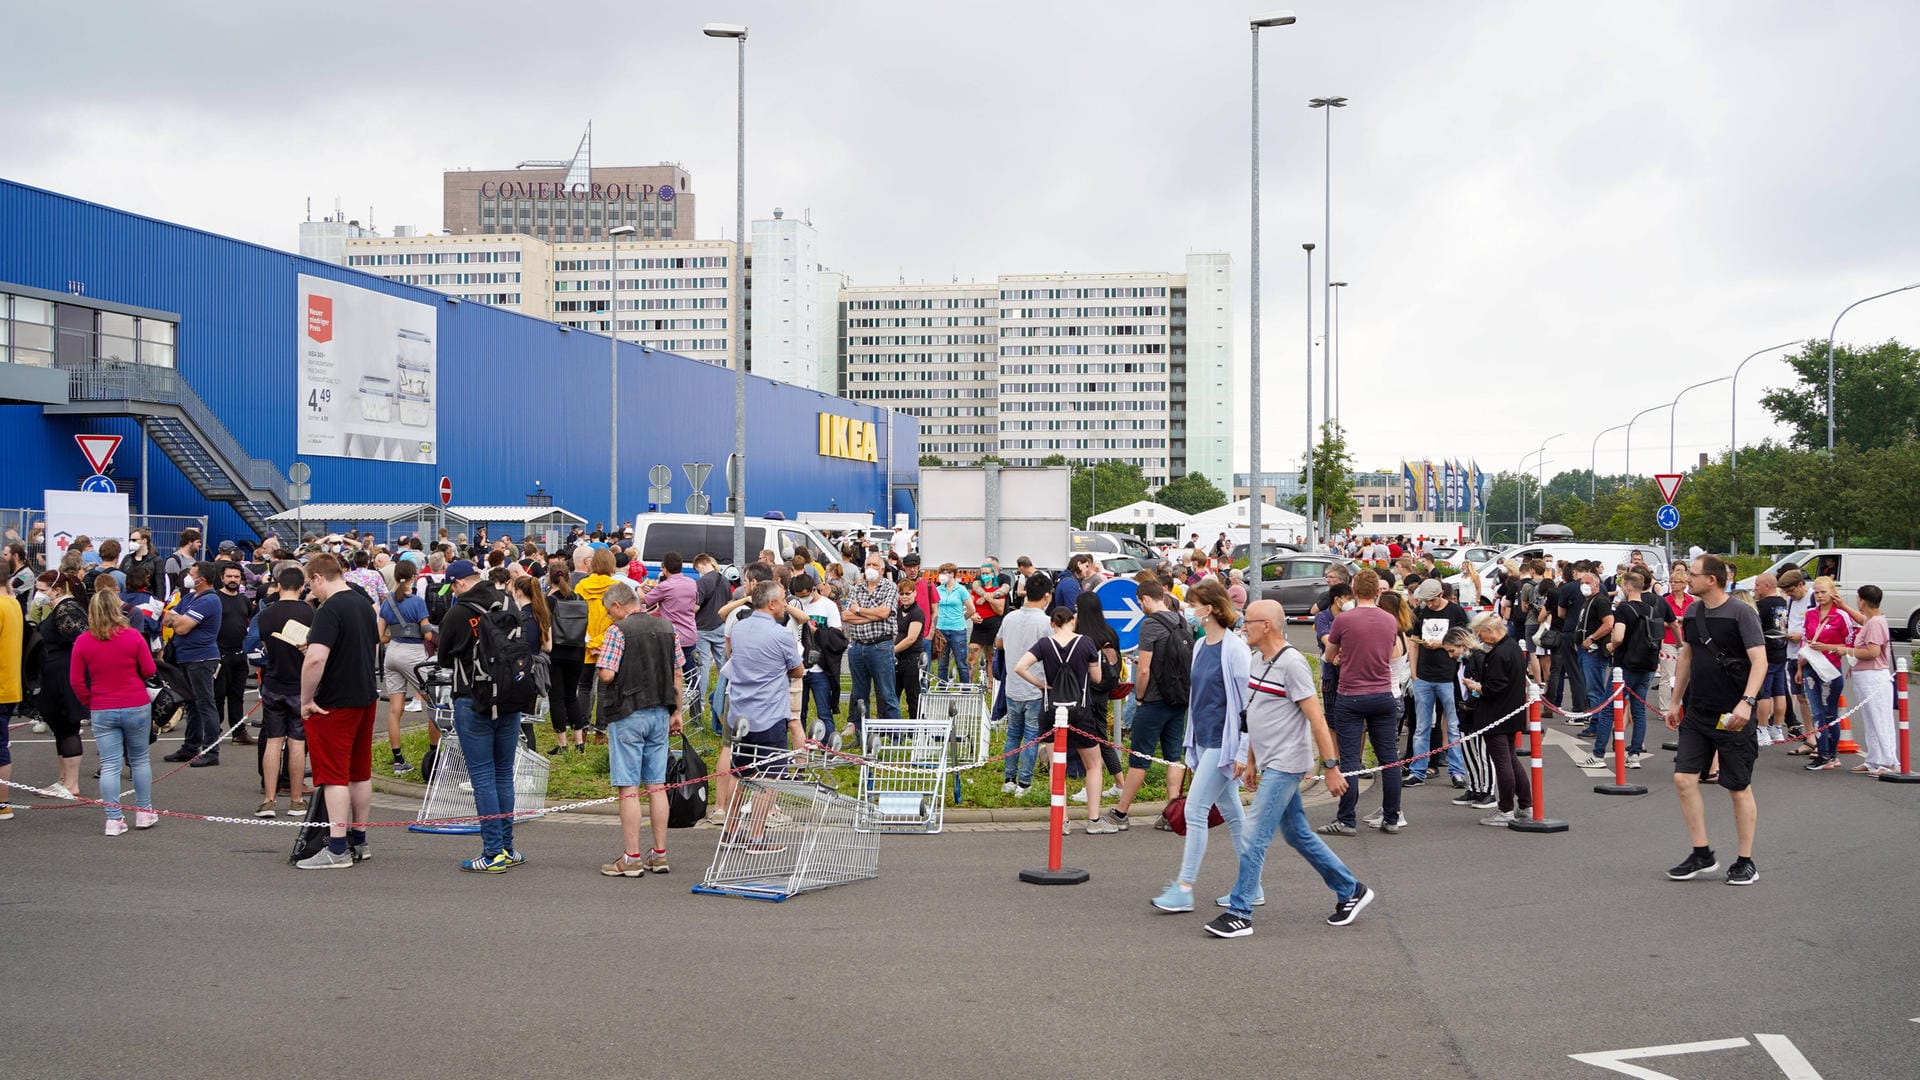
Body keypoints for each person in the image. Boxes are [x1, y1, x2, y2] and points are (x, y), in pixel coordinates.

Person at [1205, 598, 1369, 938]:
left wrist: (1331, 767)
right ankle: (1350, 890)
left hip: (1288, 764)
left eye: (1247, 621)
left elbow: (1318, 720)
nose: (1242, 626)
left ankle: (1240, 911)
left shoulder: (1292, 663)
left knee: (1253, 835)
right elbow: (1254, 715)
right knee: (1297, 834)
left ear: (1266, 625)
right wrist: (1250, 761)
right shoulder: (1256, 660)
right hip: (1269, 762)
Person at [1664, 554, 1767, 886]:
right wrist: (1675, 700)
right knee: (1683, 779)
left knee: (1737, 787)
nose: (1685, 579)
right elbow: (1687, 655)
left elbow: (1760, 662)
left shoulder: (1741, 613)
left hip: (1732, 714)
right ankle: (1702, 852)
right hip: (1698, 712)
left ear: (1711, 579)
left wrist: (1747, 703)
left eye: (1692, 575)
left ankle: (1745, 860)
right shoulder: (1693, 612)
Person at [1147, 579, 1248, 909]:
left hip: (1224, 741)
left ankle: (1185, 887)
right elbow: (1199, 698)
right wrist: (1192, 747)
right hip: (1204, 739)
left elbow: (1246, 703)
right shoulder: (1202, 646)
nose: (1190, 609)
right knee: (1232, 812)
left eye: (1195, 604)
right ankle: (1252, 884)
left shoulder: (1235, 649)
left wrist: (1244, 750)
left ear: (1212, 608)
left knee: (1195, 809)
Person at [437, 559, 528, 872]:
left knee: (482, 777)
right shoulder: (508, 601)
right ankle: (507, 847)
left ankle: (492, 854)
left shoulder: (459, 612)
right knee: (504, 774)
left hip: (472, 699)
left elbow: (445, 658)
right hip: (510, 697)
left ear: (460, 582)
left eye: (453, 586)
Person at [295, 553, 382, 870]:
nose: (311, 591)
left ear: (318, 577)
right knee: (359, 771)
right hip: (364, 694)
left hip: (334, 701)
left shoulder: (328, 608)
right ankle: (359, 840)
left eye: (310, 583)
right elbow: (371, 646)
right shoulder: (362, 602)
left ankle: (336, 848)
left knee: (334, 776)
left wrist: (305, 699)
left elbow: (316, 659)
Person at [595, 580, 682, 877]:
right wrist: (677, 710)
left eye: (609, 611)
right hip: (661, 710)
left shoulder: (618, 631)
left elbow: (607, 674)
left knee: (629, 787)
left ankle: (631, 857)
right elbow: (677, 671)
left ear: (619, 605)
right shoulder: (668, 629)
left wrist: (599, 657)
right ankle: (659, 854)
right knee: (657, 784)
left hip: (628, 712)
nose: (609, 616)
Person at [717, 580, 804, 850]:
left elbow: (731, 656)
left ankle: (731, 831)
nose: (785, 605)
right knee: (770, 777)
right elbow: (798, 670)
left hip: (741, 711)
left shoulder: (740, 627)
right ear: (771, 603)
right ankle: (756, 836)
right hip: (769, 713)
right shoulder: (780, 635)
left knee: (741, 773)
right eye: (782, 600)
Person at [1012, 601, 1110, 834]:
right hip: (1080, 709)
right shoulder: (1085, 642)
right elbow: (1096, 678)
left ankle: (1062, 819)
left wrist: (1043, 686)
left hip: (1052, 709)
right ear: (1072, 621)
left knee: (1058, 766)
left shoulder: (1044, 644)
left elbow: (1020, 667)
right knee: (1093, 764)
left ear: (1052, 623)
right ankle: (1094, 820)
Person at [1322, 569, 1407, 834]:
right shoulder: (1389, 621)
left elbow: (1329, 655)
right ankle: (1392, 817)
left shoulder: (1344, 620)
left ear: (1354, 591)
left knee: (1350, 759)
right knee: (1389, 759)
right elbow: (1391, 653)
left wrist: (1342, 657)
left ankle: (1347, 819)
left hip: (1351, 694)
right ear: (1379, 592)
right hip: (1383, 693)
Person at [70, 589, 159, 835]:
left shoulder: (84, 641)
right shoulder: (132, 636)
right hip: (135, 702)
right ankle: (143, 811)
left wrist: (90, 700)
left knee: (109, 765)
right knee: (140, 760)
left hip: (102, 705)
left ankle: (113, 819)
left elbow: (76, 680)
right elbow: (150, 669)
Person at [1110, 580, 1187, 822]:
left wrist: (1140, 697)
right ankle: (1172, 813)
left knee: (1139, 758)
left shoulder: (1150, 625)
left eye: (1139, 602)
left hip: (1154, 700)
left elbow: (1144, 670)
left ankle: (1121, 812)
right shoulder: (1181, 621)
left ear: (1144, 599)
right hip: (1179, 698)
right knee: (1173, 756)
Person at [1815, 585, 1895, 776]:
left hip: (1874, 676)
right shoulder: (1872, 620)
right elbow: (1863, 620)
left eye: (1858, 599)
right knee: (1870, 719)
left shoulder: (1875, 623)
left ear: (1863, 601)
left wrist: (1846, 650)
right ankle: (1874, 760)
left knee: (1880, 719)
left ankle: (1889, 761)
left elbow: (1873, 652)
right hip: (1865, 675)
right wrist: (1843, 607)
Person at [255, 565, 311, 817]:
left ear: (278, 585)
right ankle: (296, 800)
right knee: (297, 742)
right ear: (302, 586)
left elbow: (266, 646)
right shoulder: (311, 613)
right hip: (300, 684)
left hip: (273, 681)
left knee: (273, 741)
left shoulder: (266, 614)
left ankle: (269, 799)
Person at [1468, 612, 1532, 824]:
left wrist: (1476, 686)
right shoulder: (1513, 647)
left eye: (1480, 634)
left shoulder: (1498, 654)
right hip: (1512, 711)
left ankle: (1505, 809)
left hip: (1495, 714)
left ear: (1489, 630)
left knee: (1502, 763)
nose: (1480, 638)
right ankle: (1525, 804)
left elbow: (1494, 687)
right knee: (1511, 760)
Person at [161, 561, 227, 766]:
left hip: (201, 659)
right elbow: (167, 619)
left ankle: (210, 751)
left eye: (191, 574)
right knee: (191, 703)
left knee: (205, 703)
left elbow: (181, 628)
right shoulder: (190, 597)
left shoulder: (209, 600)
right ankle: (190, 747)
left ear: (202, 579)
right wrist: (179, 619)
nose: (187, 577)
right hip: (185, 657)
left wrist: (179, 620)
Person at [1406, 579, 1469, 787]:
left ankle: (1457, 770)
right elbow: (1414, 642)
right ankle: (1418, 770)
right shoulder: (1421, 612)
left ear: (1441, 595)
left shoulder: (1456, 612)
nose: (1429, 605)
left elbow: (1464, 640)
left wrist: (1441, 644)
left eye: (1432, 601)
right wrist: (1414, 673)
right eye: (1426, 602)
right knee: (1421, 726)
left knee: (1452, 725)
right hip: (1424, 675)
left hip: (1448, 676)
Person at [35, 572, 90, 799]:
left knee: (68, 726)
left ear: (56, 589)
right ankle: (63, 780)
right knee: (59, 727)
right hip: (54, 674)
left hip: (64, 676)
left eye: (41, 589)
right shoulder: (59, 609)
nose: (38, 594)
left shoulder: (68, 608)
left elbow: (81, 640)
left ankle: (71, 784)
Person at [1606, 569, 1664, 768]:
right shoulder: (1652, 609)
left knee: (1610, 708)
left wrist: (1611, 646)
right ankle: (1635, 754)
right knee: (1639, 712)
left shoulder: (1623, 609)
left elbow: (1619, 636)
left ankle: (1598, 753)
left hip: (1625, 665)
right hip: (1646, 664)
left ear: (1628, 587)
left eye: (1623, 585)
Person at [378, 560, 432, 775]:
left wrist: (396, 634)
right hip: (414, 655)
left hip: (392, 653)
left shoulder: (388, 602)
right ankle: (434, 753)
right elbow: (427, 633)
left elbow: (381, 636)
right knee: (435, 704)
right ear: (413, 577)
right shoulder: (417, 602)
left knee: (395, 709)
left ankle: (399, 760)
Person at [1798, 575, 1854, 771]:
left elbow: (1850, 644)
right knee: (1816, 712)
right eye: (1817, 592)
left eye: (1824, 592)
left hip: (1830, 668)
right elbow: (1804, 640)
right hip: (1810, 666)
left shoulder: (1841, 616)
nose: (1820, 596)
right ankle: (1823, 753)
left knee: (1830, 714)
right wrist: (1799, 667)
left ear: (1833, 593)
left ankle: (1830, 754)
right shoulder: (1810, 614)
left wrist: (1827, 646)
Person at [842, 552, 900, 733]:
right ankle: (861, 734)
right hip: (857, 646)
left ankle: (894, 736)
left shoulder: (890, 587)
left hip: (880, 646)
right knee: (859, 694)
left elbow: (885, 613)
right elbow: (846, 615)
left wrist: (858, 610)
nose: (871, 569)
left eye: (875, 565)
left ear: (882, 569)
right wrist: (872, 615)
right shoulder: (856, 589)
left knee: (887, 692)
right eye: (868, 565)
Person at [573, 546, 619, 739]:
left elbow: (575, 615)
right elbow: (616, 617)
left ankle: (582, 728)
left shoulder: (581, 586)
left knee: (583, 687)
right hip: (607, 644)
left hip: (584, 643)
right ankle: (601, 731)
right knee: (604, 688)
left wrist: (589, 641)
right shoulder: (616, 587)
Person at [1749, 573, 1791, 748]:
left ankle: (1762, 728)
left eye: (1758, 585)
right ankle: (1777, 728)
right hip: (1781, 648)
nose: (1755, 588)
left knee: (1764, 693)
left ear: (1767, 586)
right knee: (1779, 692)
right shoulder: (1782, 602)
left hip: (1767, 650)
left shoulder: (1762, 605)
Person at [690, 552, 731, 727]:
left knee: (703, 668)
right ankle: (726, 699)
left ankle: (698, 706)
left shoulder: (701, 582)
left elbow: (695, 607)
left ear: (701, 564)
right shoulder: (725, 580)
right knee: (724, 667)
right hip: (721, 626)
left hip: (703, 628)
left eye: (697, 568)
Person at [639, 552, 698, 672]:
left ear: (665, 569)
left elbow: (644, 600)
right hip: (690, 633)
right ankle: (695, 691)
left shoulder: (665, 586)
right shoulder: (692, 583)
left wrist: (638, 588)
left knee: (667, 673)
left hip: (669, 636)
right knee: (690, 674)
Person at [930, 563, 973, 684]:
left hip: (957, 630)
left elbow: (971, 609)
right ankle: (943, 690)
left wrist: (961, 618)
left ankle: (966, 690)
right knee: (942, 663)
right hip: (941, 630)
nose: (944, 575)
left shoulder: (961, 590)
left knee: (961, 663)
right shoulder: (938, 590)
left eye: (947, 572)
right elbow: (934, 609)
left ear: (953, 574)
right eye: (942, 572)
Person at [893, 580, 926, 721]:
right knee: (893, 694)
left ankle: (915, 728)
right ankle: (890, 727)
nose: (905, 596)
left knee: (912, 696)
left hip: (912, 659)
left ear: (914, 593)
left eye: (908, 593)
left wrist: (891, 650)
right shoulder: (898, 611)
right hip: (897, 660)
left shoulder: (917, 613)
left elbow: (911, 638)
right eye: (901, 594)